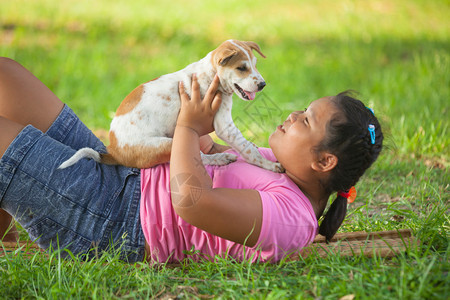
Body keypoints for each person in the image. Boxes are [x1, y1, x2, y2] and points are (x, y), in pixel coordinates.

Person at [0, 57, 383, 263]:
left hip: (118, 224)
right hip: (130, 175)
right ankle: (5, 234)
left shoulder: (289, 218)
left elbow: (191, 202)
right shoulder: (278, 166)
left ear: (324, 161)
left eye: (306, 120)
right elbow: (208, 156)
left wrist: (187, 128)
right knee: (7, 76)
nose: (292, 116)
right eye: (301, 110)